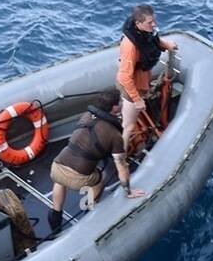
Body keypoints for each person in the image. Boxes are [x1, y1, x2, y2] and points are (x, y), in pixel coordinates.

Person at [47, 89, 146, 232]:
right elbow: (121, 166)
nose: (121, 104)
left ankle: (55, 215)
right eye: (119, 102)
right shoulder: (114, 135)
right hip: (78, 177)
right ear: (114, 108)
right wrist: (128, 190)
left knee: (60, 180)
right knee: (100, 178)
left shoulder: (86, 116)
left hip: (57, 166)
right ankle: (90, 211)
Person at [117, 4, 179, 151]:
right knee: (129, 126)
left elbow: (153, 41)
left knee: (128, 118)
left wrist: (166, 45)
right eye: (150, 23)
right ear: (138, 23)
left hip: (142, 81)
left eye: (154, 21)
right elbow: (124, 77)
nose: (154, 24)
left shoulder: (145, 33)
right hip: (133, 88)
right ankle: (121, 156)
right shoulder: (130, 46)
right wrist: (137, 100)